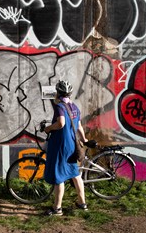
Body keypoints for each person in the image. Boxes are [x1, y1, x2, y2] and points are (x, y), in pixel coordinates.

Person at [43, 80, 89, 216]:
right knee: (75, 174)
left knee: (59, 177)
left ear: (58, 93)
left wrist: (48, 128)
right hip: (72, 145)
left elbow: (61, 123)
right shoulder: (74, 107)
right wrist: (84, 140)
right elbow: (79, 126)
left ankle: (57, 208)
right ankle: (82, 203)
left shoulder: (60, 106)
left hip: (61, 145)